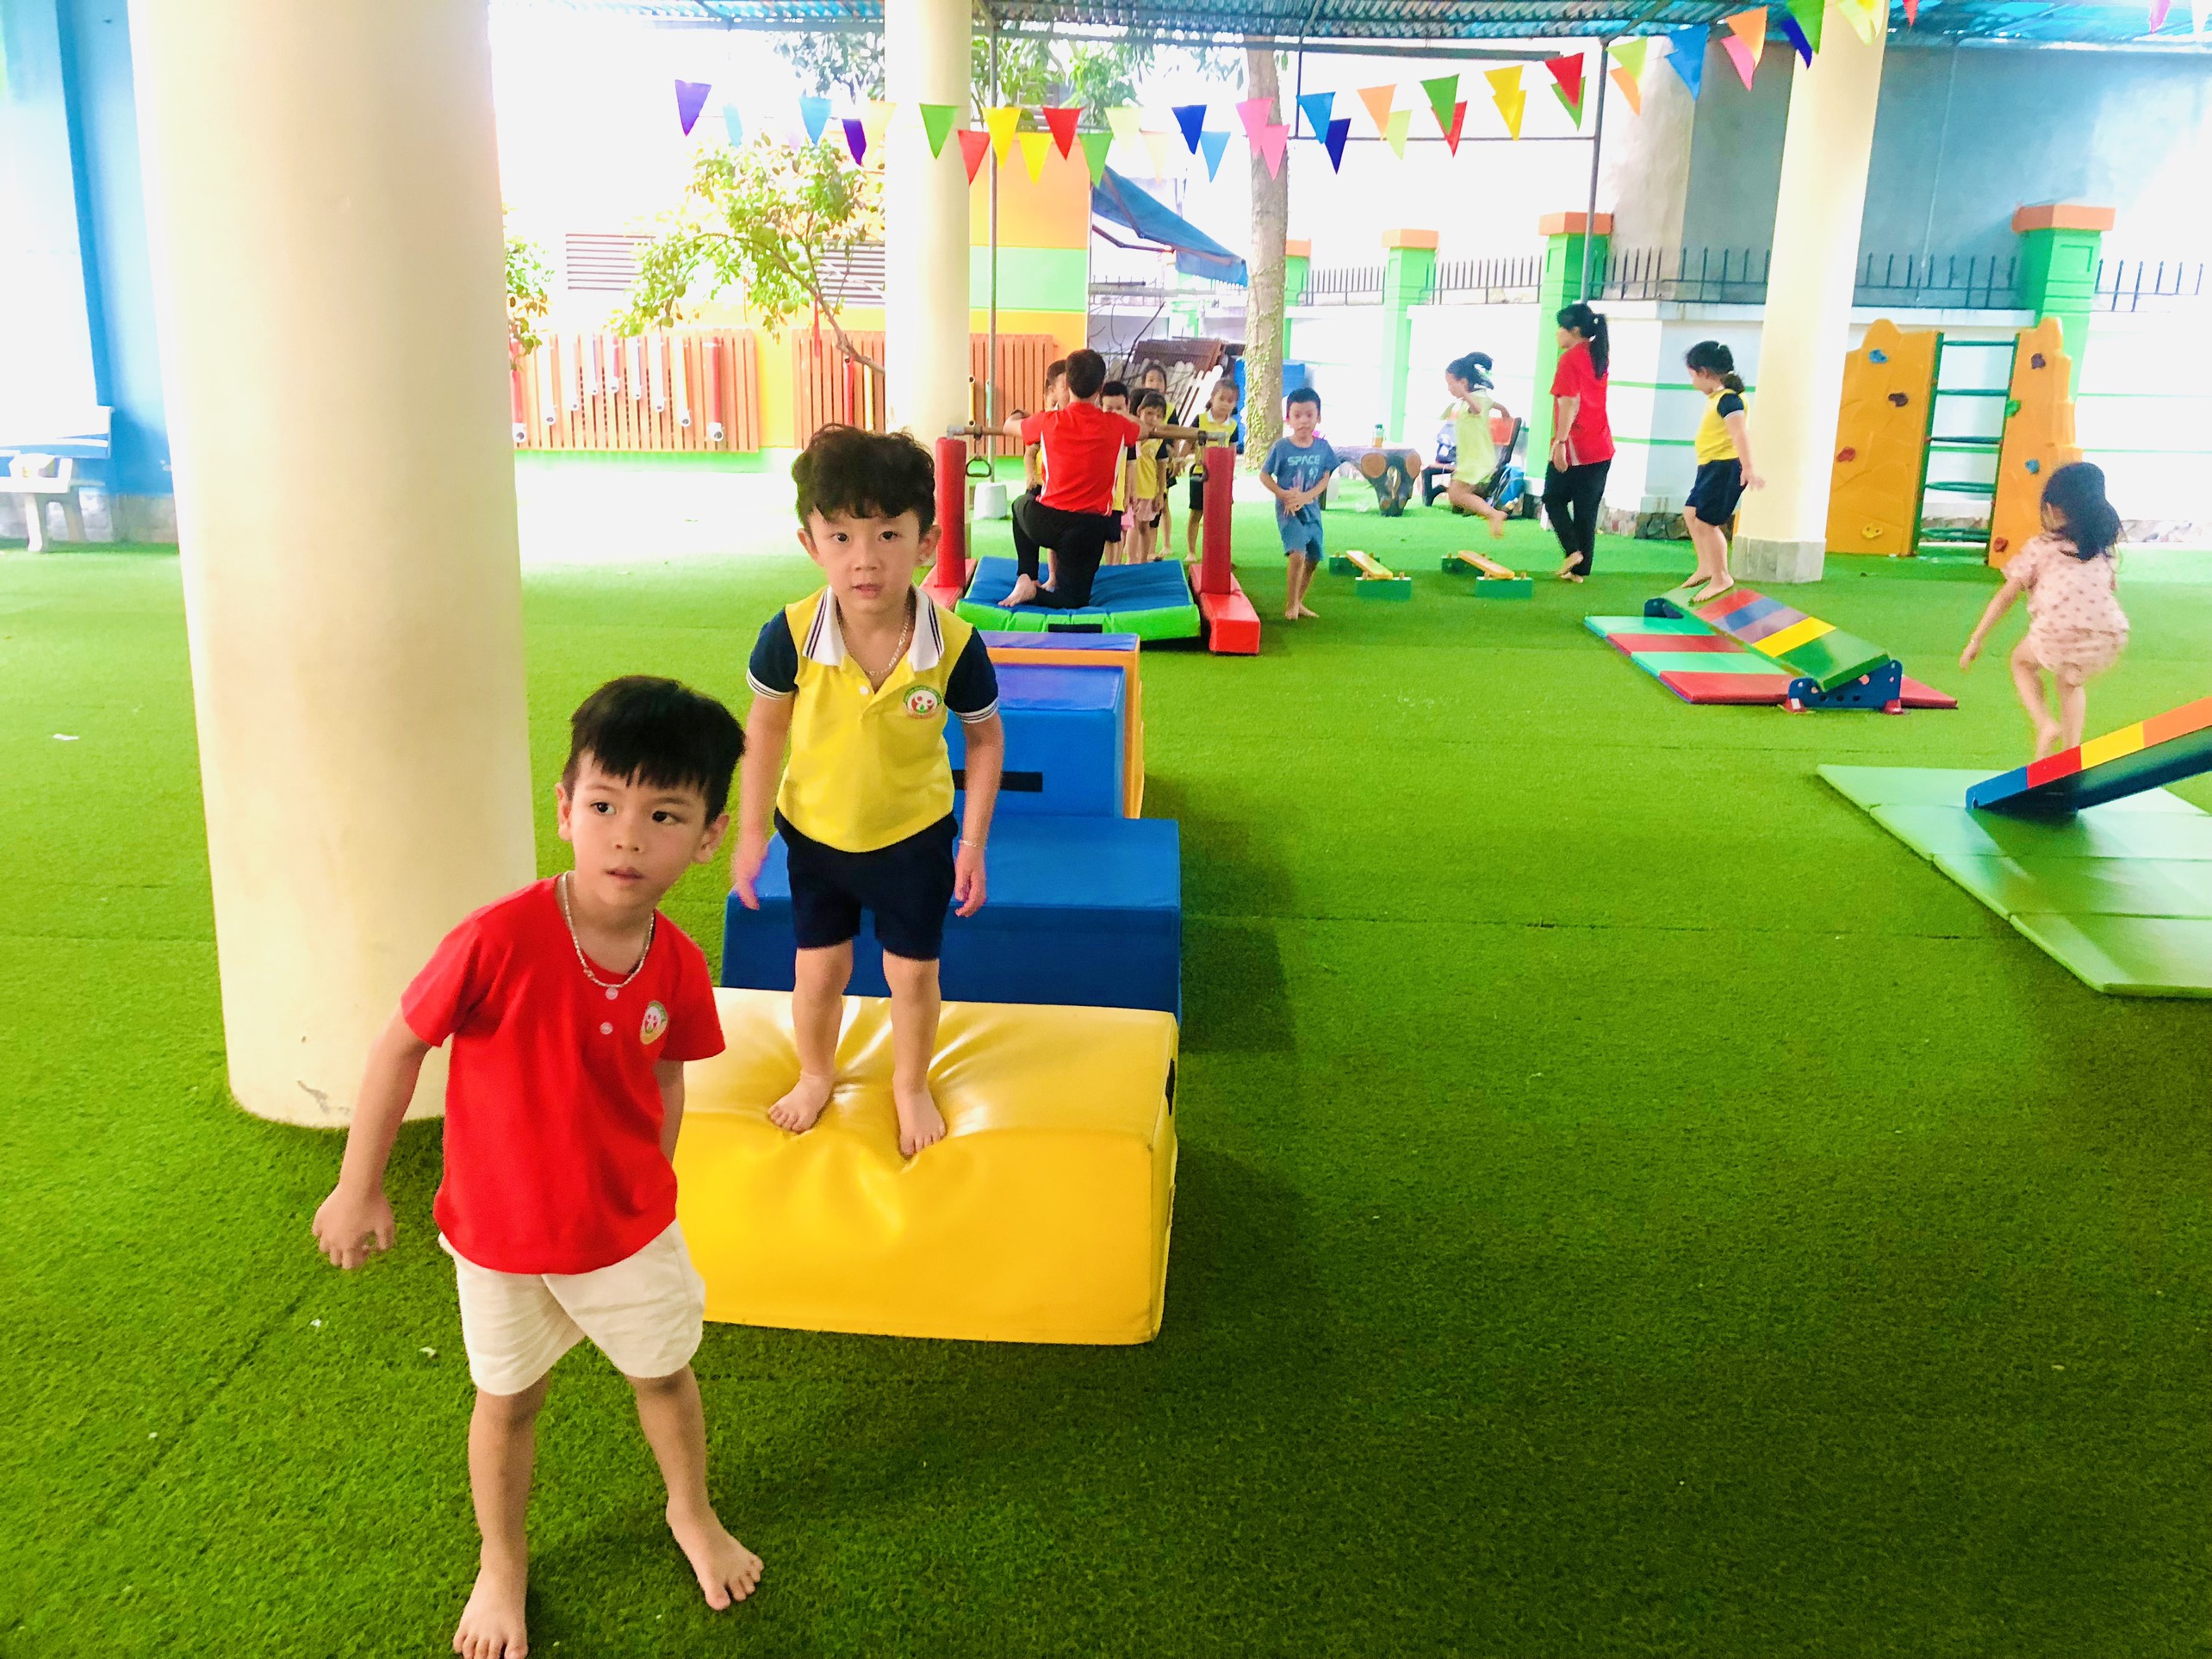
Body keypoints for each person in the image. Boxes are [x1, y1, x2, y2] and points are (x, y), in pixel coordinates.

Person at [310, 675, 760, 1659]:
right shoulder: (497, 939)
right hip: (500, 1234)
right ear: (565, 809)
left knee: (664, 1375)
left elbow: (669, 1074)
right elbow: (399, 1045)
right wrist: (357, 1184)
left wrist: (654, 1181)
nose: (627, 838)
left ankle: (691, 1511)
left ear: (709, 836)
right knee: (508, 1401)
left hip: (627, 1230)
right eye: (604, 806)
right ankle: (502, 1561)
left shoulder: (679, 963)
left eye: (663, 815)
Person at [733, 425, 1005, 1157]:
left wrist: (973, 843)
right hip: (815, 835)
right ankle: (815, 1073)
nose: (865, 559)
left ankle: (909, 1084)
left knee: (912, 976)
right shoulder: (790, 634)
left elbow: (985, 740)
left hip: (914, 839)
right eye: (841, 536)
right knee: (818, 969)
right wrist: (752, 831)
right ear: (810, 543)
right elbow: (765, 729)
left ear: (926, 543)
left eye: (888, 534)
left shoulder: (954, 644)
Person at [1960, 462, 2130, 760]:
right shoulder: (2103, 550)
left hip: (2058, 631)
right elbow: (2107, 586)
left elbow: (2005, 597)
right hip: (2110, 633)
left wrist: (1977, 639)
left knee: (2021, 663)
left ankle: (2045, 724)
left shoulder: (2040, 547)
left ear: (2051, 509)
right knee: (2070, 682)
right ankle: (2070, 753)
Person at [994, 347, 1149, 610]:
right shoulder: (1117, 425)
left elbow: (1009, 427)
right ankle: (1030, 587)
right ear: (1100, 388)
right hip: (1089, 530)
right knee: (1072, 601)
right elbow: (1144, 430)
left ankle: (1027, 576)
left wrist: (1018, 415)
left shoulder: (1048, 420)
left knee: (1021, 505)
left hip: (1047, 522)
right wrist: (1121, 414)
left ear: (1067, 384)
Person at [1681, 340, 1762, 603]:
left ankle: (1721, 577)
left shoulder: (1729, 400)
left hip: (1725, 468)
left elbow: (1740, 434)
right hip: (1711, 466)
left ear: (1703, 372)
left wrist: (1748, 468)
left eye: (1692, 376)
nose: (1693, 382)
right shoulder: (1719, 397)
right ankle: (1706, 566)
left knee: (1707, 523)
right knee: (1691, 513)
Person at [1543, 302, 1613, 582]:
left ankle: (1573, 552)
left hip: (1577, 446)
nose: (1557, 333)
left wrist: (1560, 443)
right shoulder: (1598, 355)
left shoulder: (1570, 359)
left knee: (1553, 498)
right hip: (1601, 445)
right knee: (1586, 510)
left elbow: (1569, 403)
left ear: (1574, 330)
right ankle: (1580, 570)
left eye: (1561, 328)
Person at [1260, 386, 1342, 622]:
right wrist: (1284, 495)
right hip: (1288, 510)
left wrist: (1308, 497)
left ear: (1318, 417)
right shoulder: (1282, 447)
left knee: (1313, 558)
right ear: (1288, 419)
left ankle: (1299, 601)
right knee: (1297, 553)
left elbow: (1325, 477)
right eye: (1297, 415)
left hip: (1311, 509)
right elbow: (1265, 475)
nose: (1304, 421)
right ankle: (1291, 606)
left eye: (1309, 414)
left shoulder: (1323, 447)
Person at [1441, 351, 1514, 539]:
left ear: (1463, 383)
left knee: (1456, 494)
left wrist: (1464, 395)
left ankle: (1493, 514)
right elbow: (1492, 403)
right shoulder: (1480, 396)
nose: (1449, 389)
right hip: (1472, 459)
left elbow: (1478, 409)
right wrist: (1504, 411)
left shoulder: (1474, 400)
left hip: (1477, 460)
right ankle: (1491, 514)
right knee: (1456, 494)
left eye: (1451, 384)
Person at [1183, 376, 1242, 559]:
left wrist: (1230, 476)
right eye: (1221, 398)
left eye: (1230, 400)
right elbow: (1189, 442)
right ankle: (1191, 551)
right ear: (1212, 397)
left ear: (1235, 404)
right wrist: (1179, 460)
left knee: (1219, 516)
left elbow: (1232, 451)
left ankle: (1217, 553)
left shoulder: (1233, 426)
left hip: (1221, 477)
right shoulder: (1200, 419)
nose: (1225, 404)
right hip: (1200, 473)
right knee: (1196, 512)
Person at [1128, 390, 1174, 562]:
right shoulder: (1131, 434)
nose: (1153, 418)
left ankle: (1143, 560)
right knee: (1130, 525)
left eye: (1158, 416)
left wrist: (1160, 493)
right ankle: (1131, 560)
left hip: (1148, 489)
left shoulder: (1159, 440)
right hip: (1130, 488)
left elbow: (1162, 469)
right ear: (1139, 411)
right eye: (1149, 413)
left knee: (1143, 526)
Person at [1098, 379, 1131, 565]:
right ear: (1100, 407)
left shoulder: (1128, 433)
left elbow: (1131, 465)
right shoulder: (1097, 430)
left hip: (1116, 495)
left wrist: (1129, 493)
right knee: (1096, 535)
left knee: (1114, 535)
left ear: (1128, 407)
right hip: (1097, 495)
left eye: (1119, 408)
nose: (1115, 413)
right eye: (1109, 409)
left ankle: (1113, 567)